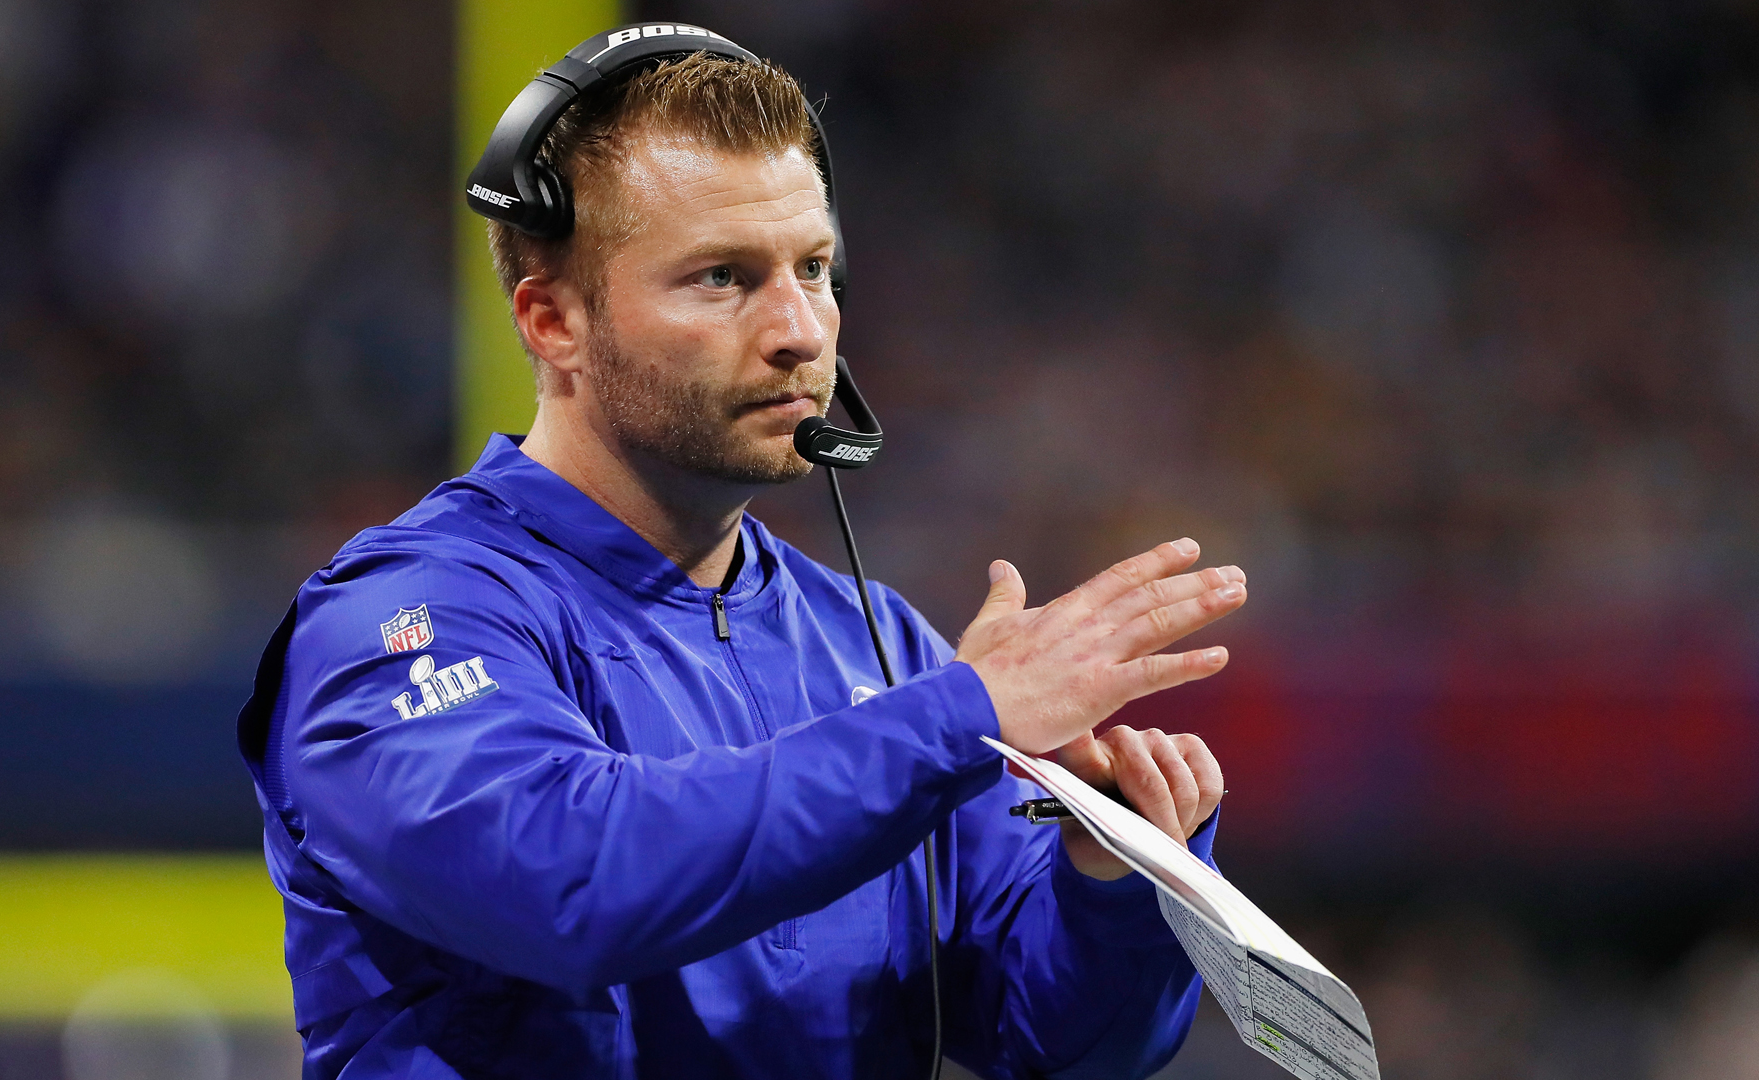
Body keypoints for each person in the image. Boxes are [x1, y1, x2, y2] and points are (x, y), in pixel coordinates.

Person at [237, 48, 1249, 1080]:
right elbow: (576, 887)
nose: (800, 332)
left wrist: (1117, 872)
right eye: (724, 278)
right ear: (553, 321)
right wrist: (958, 717)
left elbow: (1053, 1044)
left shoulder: (876, 643)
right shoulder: (406, 619)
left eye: (813, 268)